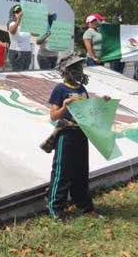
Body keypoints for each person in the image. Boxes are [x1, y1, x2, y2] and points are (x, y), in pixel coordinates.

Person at [45, 53, 103, 219]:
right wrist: (64, 106)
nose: (79, 70)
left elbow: (88, 111)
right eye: (75, 67)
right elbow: (54, 116)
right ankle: (55, 208)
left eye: (80, 67)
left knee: (81, 172)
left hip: (82, 133)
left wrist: (101, 104)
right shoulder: (60, 89)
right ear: (67, 70)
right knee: (62, 172)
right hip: (66, 134)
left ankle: (85, 206)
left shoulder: (82, 89)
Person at [7, 4, 32, 71]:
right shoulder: (12, 23)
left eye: (21, 11)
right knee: (17, 74)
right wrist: (19, 19)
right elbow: (12, 31)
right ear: (13, 14)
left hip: (27, 52)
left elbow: (36, 34)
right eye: (17, 12)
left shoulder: (27, 25)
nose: (19, 13)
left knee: (25, 74)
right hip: (17, 52)